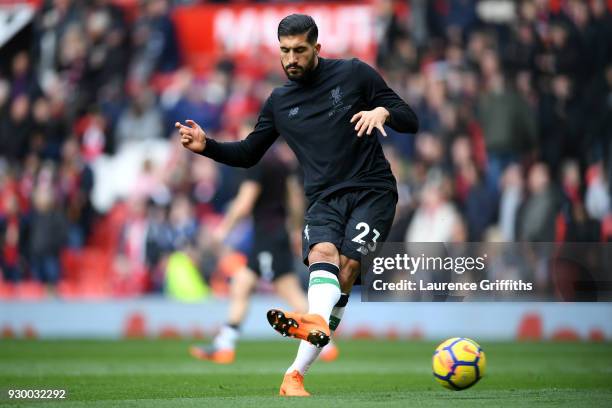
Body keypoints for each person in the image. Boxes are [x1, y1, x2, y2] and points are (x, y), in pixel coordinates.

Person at [176, 14, 418, 396]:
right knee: (323, 253)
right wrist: (207, 146)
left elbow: (411, 118)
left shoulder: (355, 74)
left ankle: (297, 366)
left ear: (317, 49)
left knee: (349, 268)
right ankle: (299, 366)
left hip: (372, 190)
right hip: (323, 197)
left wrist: (383, 111)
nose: (291, 58)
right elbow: (248, 153)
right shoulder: (279, 102)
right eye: (285, 51)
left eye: (299, 50)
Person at [188, 144, 338, 364]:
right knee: (242, 284)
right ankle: (224, 345)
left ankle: (325, 344)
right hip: (272, 235)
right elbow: (294, 198)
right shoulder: (280, 162)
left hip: (267, 236)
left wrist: (224, 228)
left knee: (288, 290)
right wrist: (295, 228)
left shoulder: (256, 160)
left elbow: (245, 202)